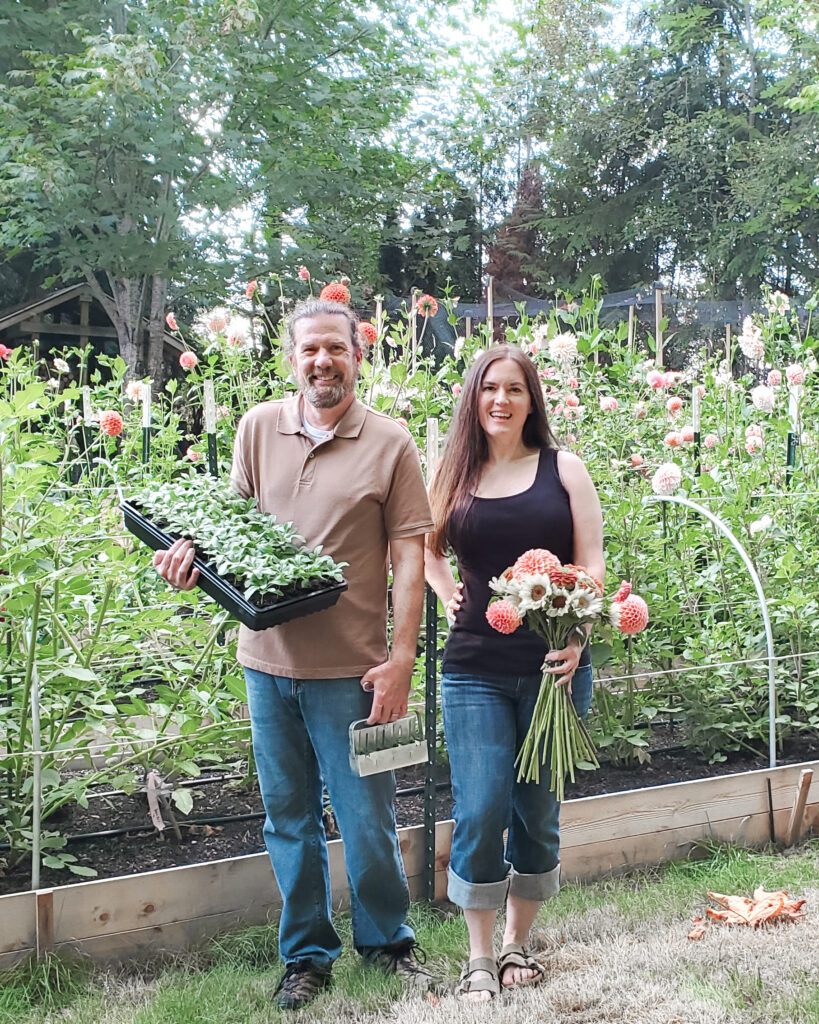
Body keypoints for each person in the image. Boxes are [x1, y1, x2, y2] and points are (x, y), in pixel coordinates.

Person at [154, 298, 436, 1010]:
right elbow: (228, 535)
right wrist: (191, 564)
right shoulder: (257, 429)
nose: (322, 362)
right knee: (288, 818)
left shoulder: (390, 443)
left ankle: (388, 942)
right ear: (291, 359)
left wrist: (401, 661)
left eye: (335, 350)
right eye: (309, 350)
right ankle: (306, 955)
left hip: (359, 674)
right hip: (266, 667)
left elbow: (411, 560)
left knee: (369, 818)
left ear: (357, 357)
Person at [424, 343, 605, 1001]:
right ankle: (475, 954)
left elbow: (589, 562)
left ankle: (514, 943)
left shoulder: (563, 469)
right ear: (473, 398)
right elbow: (424, 548)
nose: (499, 400)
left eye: (514, 389)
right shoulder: (455, 472)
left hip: (553, 671)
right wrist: (445, 592)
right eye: (488, 388)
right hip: (472, 667)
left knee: (535, 809)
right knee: (479, 807)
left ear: (531, 400)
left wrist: (578, 638)